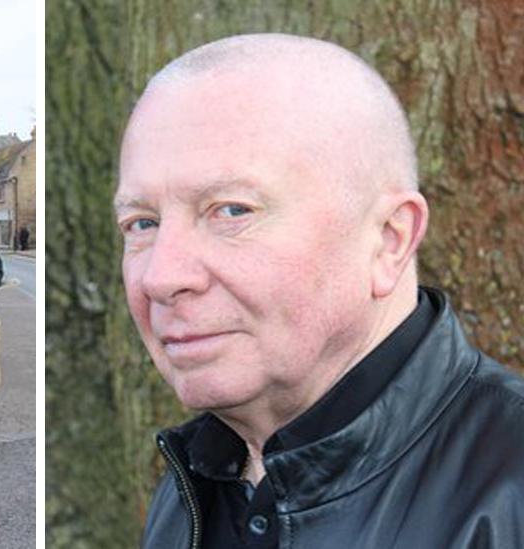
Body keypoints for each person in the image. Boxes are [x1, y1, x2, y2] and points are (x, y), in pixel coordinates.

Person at [118, 34, 524, 548]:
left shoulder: (510, 499)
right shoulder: (192, 490)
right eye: (142, 223)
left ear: (389, 239)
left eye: (233, 210)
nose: (161, 276)